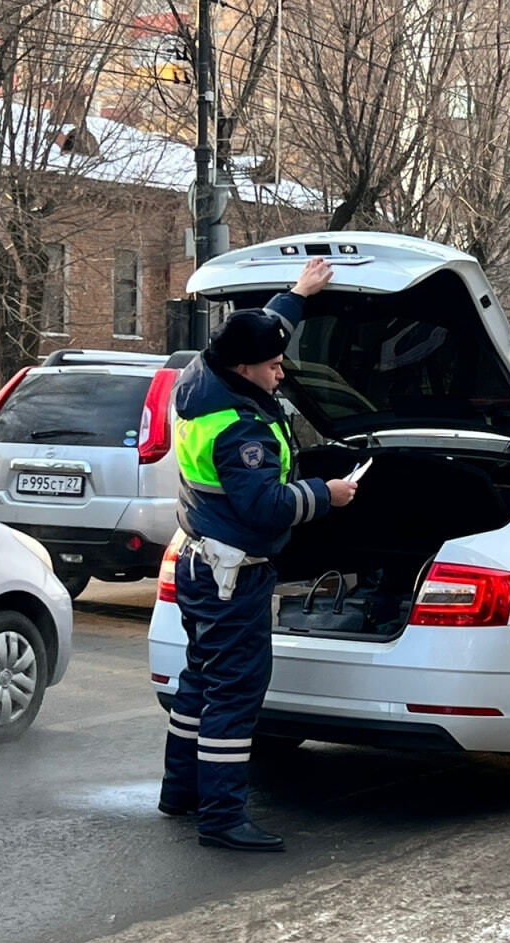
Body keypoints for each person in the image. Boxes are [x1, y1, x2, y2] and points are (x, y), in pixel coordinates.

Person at [159, 257, 357, 852]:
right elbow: (266, 506)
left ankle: (181, 791)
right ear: (246, 368)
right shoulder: (239, 430)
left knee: (200, 681)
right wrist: (329, 494)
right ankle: (221, 819)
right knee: (235, 692)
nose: (281, 373)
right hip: (230, 572)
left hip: (199, 560)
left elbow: (258, 330)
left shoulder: (202, 375)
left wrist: (297, 295)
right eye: (274, 366)